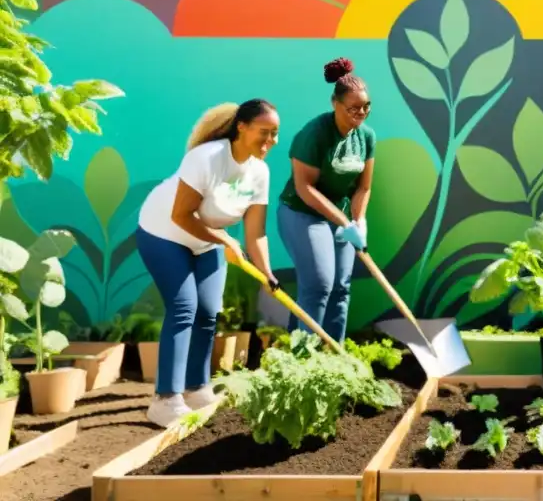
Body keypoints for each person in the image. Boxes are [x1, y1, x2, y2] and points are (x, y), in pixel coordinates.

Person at [136, 99, 280, 427]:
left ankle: (196, 387)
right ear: (241, 127)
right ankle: (165, 399)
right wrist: (225, 240)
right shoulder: (207, 158)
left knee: (208, 311)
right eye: (264, 132)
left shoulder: (260, 171)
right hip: (163, 232)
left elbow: (255, 233)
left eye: (275, 134)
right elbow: (180, 215)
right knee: (184, 307)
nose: (270, 141)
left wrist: (266, 273)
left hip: (207, 240)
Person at [277, 57, 374, 344]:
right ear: (335, 103)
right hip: (301, 213)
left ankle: (335, 360)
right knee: (319, 285)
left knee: (341, 287)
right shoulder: (314, 134)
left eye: (366, 106)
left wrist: (359, 221)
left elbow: (363, 187)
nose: (361, 113)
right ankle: (304, 361)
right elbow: (305, 188)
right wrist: (345, 221)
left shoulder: (366, 136)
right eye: (353, 108)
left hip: (340, 218)